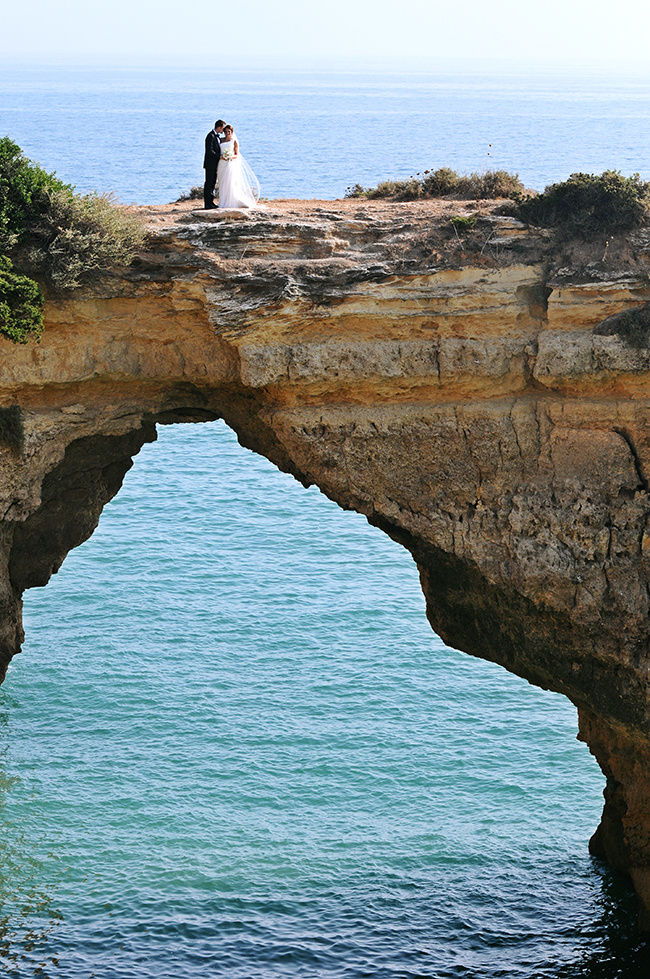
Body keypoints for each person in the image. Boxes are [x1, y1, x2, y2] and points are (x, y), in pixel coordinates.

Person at [217, 125, 261, 209]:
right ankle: (223, 202)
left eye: (229, 131)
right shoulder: (221, 140)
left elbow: (236, 155)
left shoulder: (234, 141)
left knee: (229, 182)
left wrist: (229, 157)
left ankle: (230, 202)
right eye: (225, 131)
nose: (227, 133)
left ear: (232, 132)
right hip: (221, 163)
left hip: (229, 164)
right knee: (222, 182)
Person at [203, 120, 225, 210]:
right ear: (219, 127)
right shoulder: (210, 136)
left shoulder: (216, 136)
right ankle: (207, 203)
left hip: (214, 164)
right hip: (210, 164)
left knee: (212, 183)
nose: (223, 131)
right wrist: (219, 156)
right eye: (223, 128)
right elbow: (209, 151)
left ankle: (211, 202)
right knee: (209, 183)